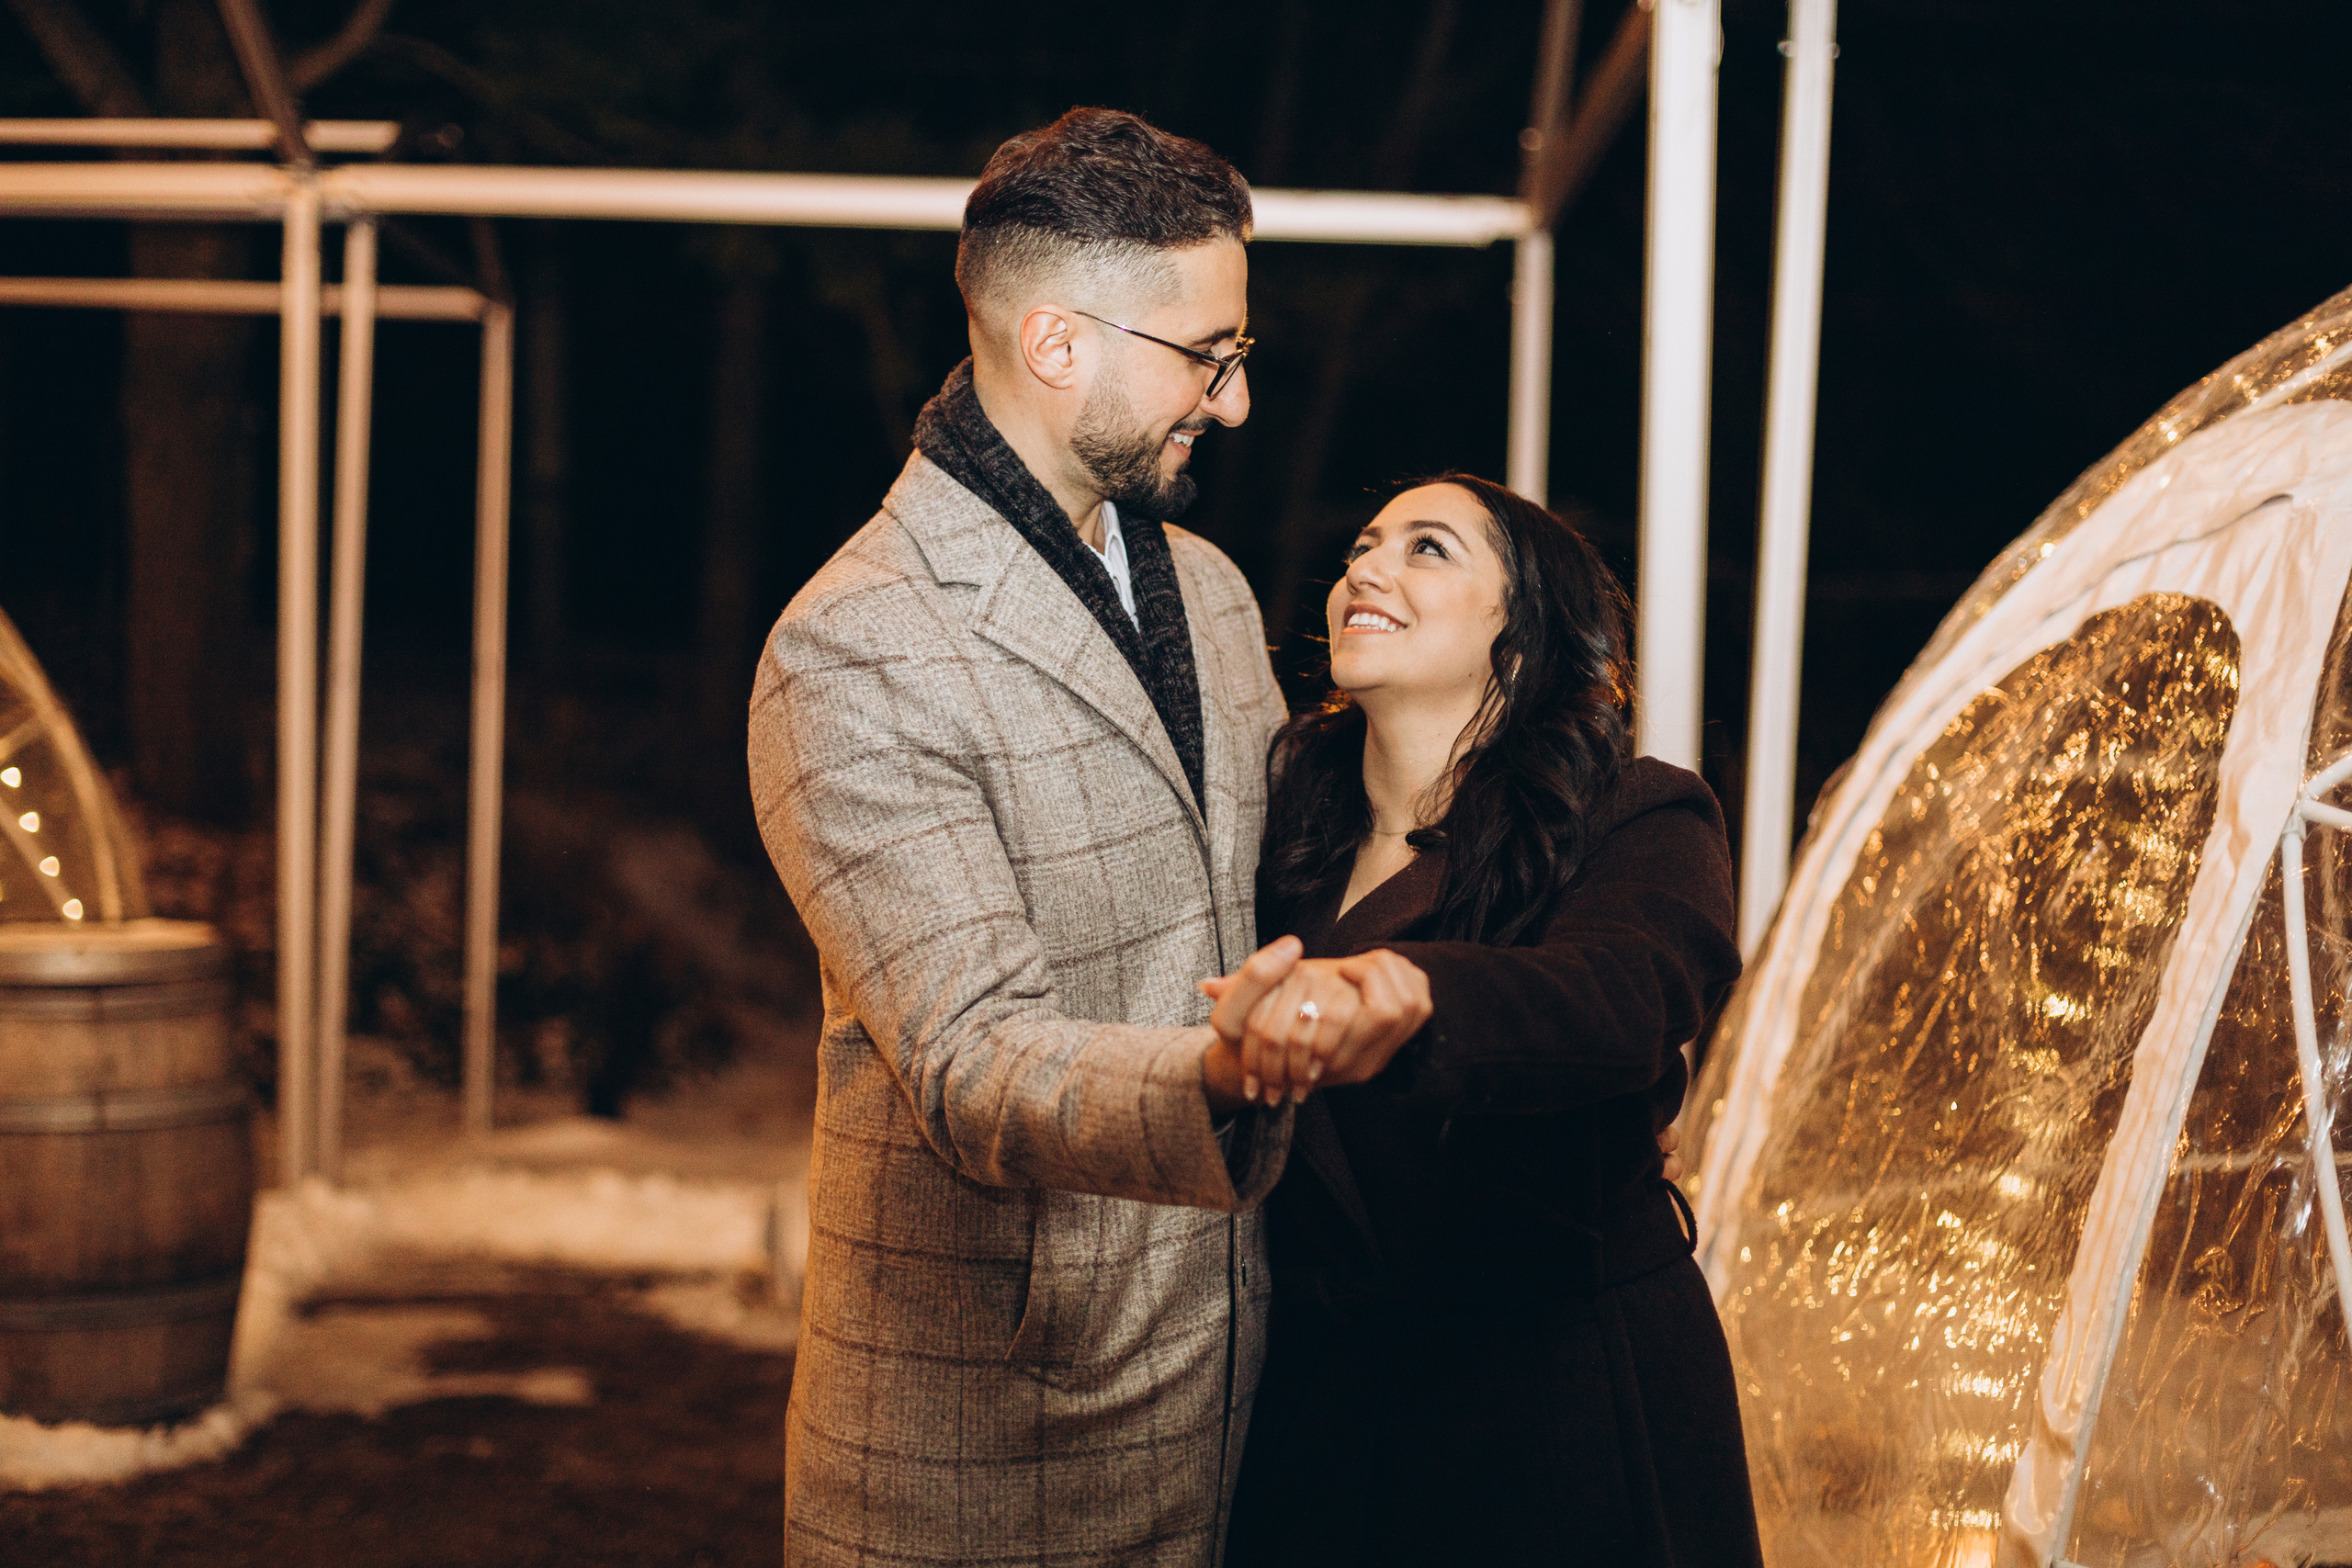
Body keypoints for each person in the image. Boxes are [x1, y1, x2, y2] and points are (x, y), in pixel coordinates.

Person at [747, 108, 1429, 1566]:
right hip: (992, 1451)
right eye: (1210, 356)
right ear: (1059, 344)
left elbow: (1311, 871)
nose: (1234, 404)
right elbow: (973, 1063)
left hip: (1242, 1389)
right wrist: (1229, 1068)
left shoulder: (1216, 587)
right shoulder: (856, 647)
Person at [1209, 474, 1765, 1567]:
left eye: (1427, 549)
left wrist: (1421, 998)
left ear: (1524, 632)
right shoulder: (1273, 829)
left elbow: (1622, 996)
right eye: (1363, 545)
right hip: (1321, 1405)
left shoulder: (1639, 813)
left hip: (1560, 1403)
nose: (1365, 568)